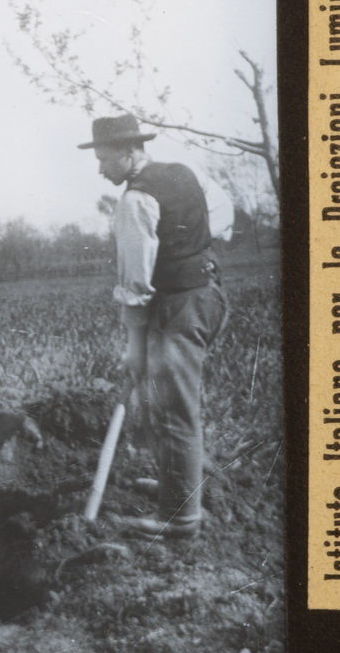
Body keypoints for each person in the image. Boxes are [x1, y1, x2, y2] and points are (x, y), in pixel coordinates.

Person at [80, 113, 229, 539]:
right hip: (210, 295)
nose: (100, 168)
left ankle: (180, 519)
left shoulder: (135, 201)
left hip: (177, 308)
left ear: (130, 152)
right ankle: (177, 487)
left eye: (106, 159)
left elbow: (135, 283)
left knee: (172, 411)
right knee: (171, 403)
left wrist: (133, 343)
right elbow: (221, 215)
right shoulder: (184, 173)